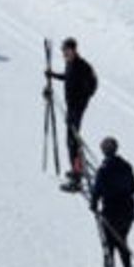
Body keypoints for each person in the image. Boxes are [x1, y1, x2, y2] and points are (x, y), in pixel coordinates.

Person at [44, 38, 98, 190]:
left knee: (72, 143)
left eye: (67, 51)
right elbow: (68, 78)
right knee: (71, 141)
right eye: (63, 51)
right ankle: (77, 169)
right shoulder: (70, 64)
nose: (64, 54)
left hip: (76, 109)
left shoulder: (82, 66)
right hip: (72, 108)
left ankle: (77, 177)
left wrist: (81, 103)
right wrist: (52, 75)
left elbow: (93, 85)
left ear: (74, 50)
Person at [90, 136, 134, 267]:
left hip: (111, 214)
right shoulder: (126, 166)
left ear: (104, 151)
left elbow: (96, 192)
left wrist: (94, 205)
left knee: (108, 248)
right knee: (122, 241)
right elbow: (133, 188)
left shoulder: (103, 170)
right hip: (128, 211)